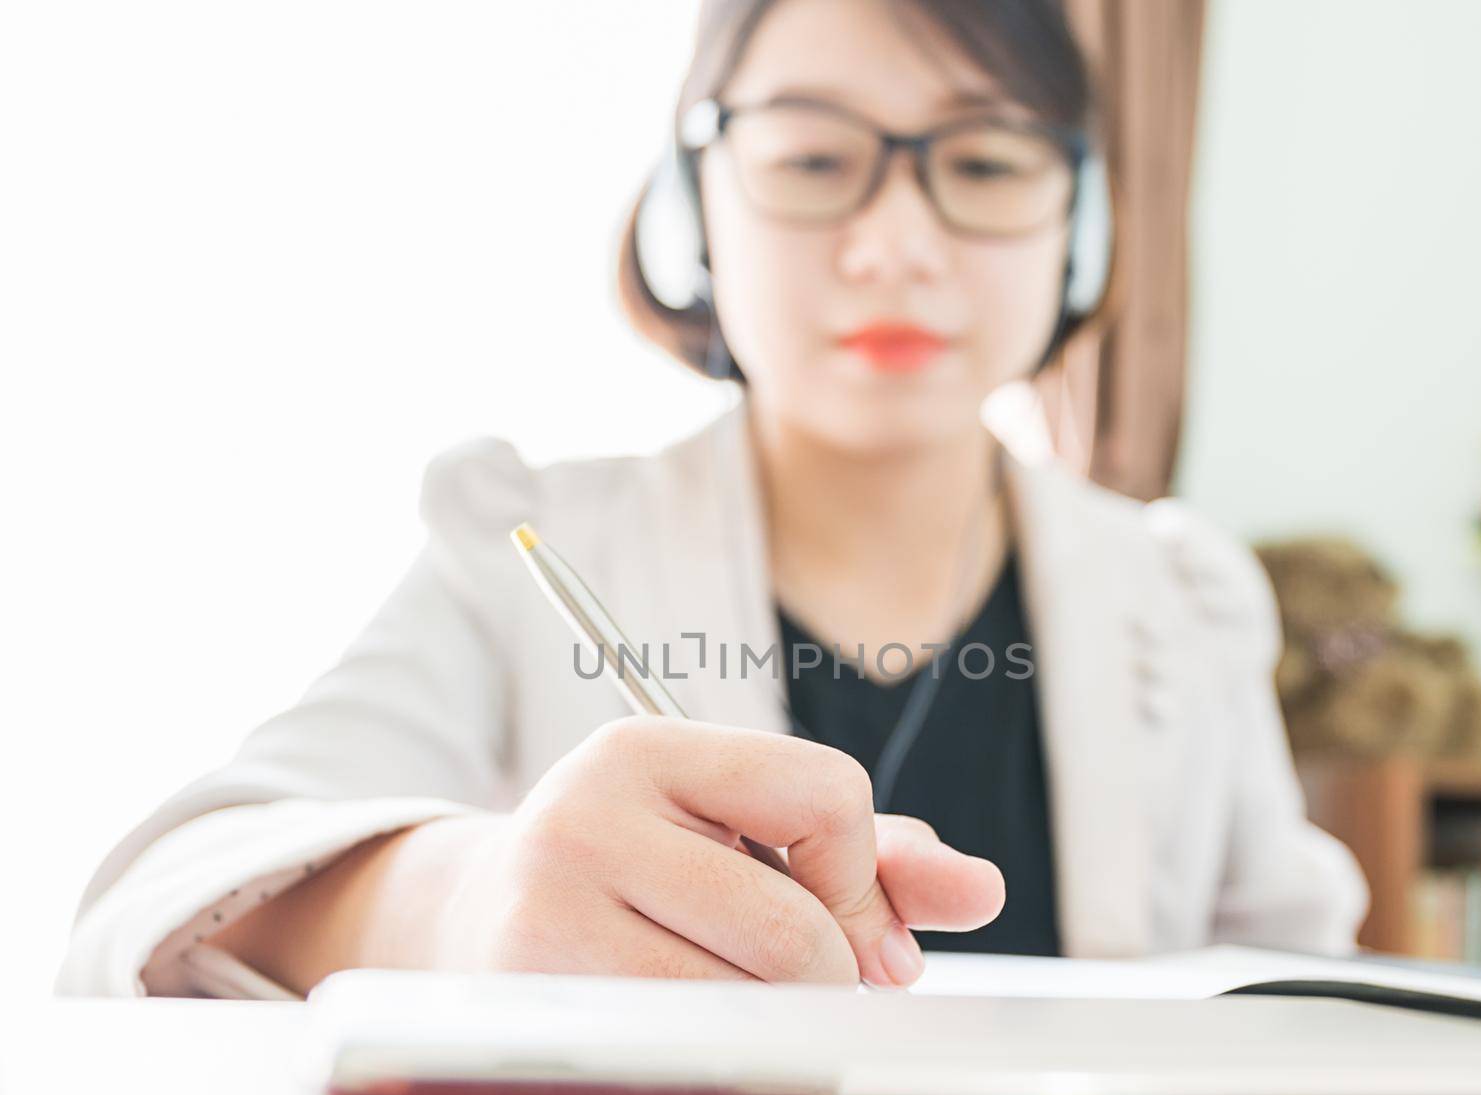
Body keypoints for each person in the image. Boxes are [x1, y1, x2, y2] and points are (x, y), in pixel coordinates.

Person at [59, 0, 1367, 1001]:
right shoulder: (520, 544)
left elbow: (1303, 999)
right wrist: (458, 902)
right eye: (812, 161)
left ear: (1078, 218)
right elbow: (150, 909)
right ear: (696, 207)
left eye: (983, 163)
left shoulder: (1186, 596)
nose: (899, 244)